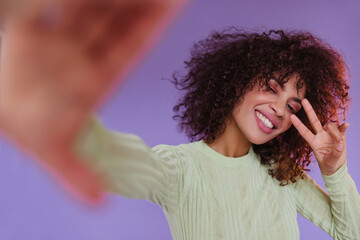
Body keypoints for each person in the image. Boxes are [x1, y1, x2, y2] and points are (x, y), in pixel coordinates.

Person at [74, 29, 360, 239]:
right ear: (238, 81)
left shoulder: (282, 175)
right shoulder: (181, 169)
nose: (279, 110)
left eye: (292, 107)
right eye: (271, 88)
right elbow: (113, 160)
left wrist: (334, 171)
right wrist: (64, 119)